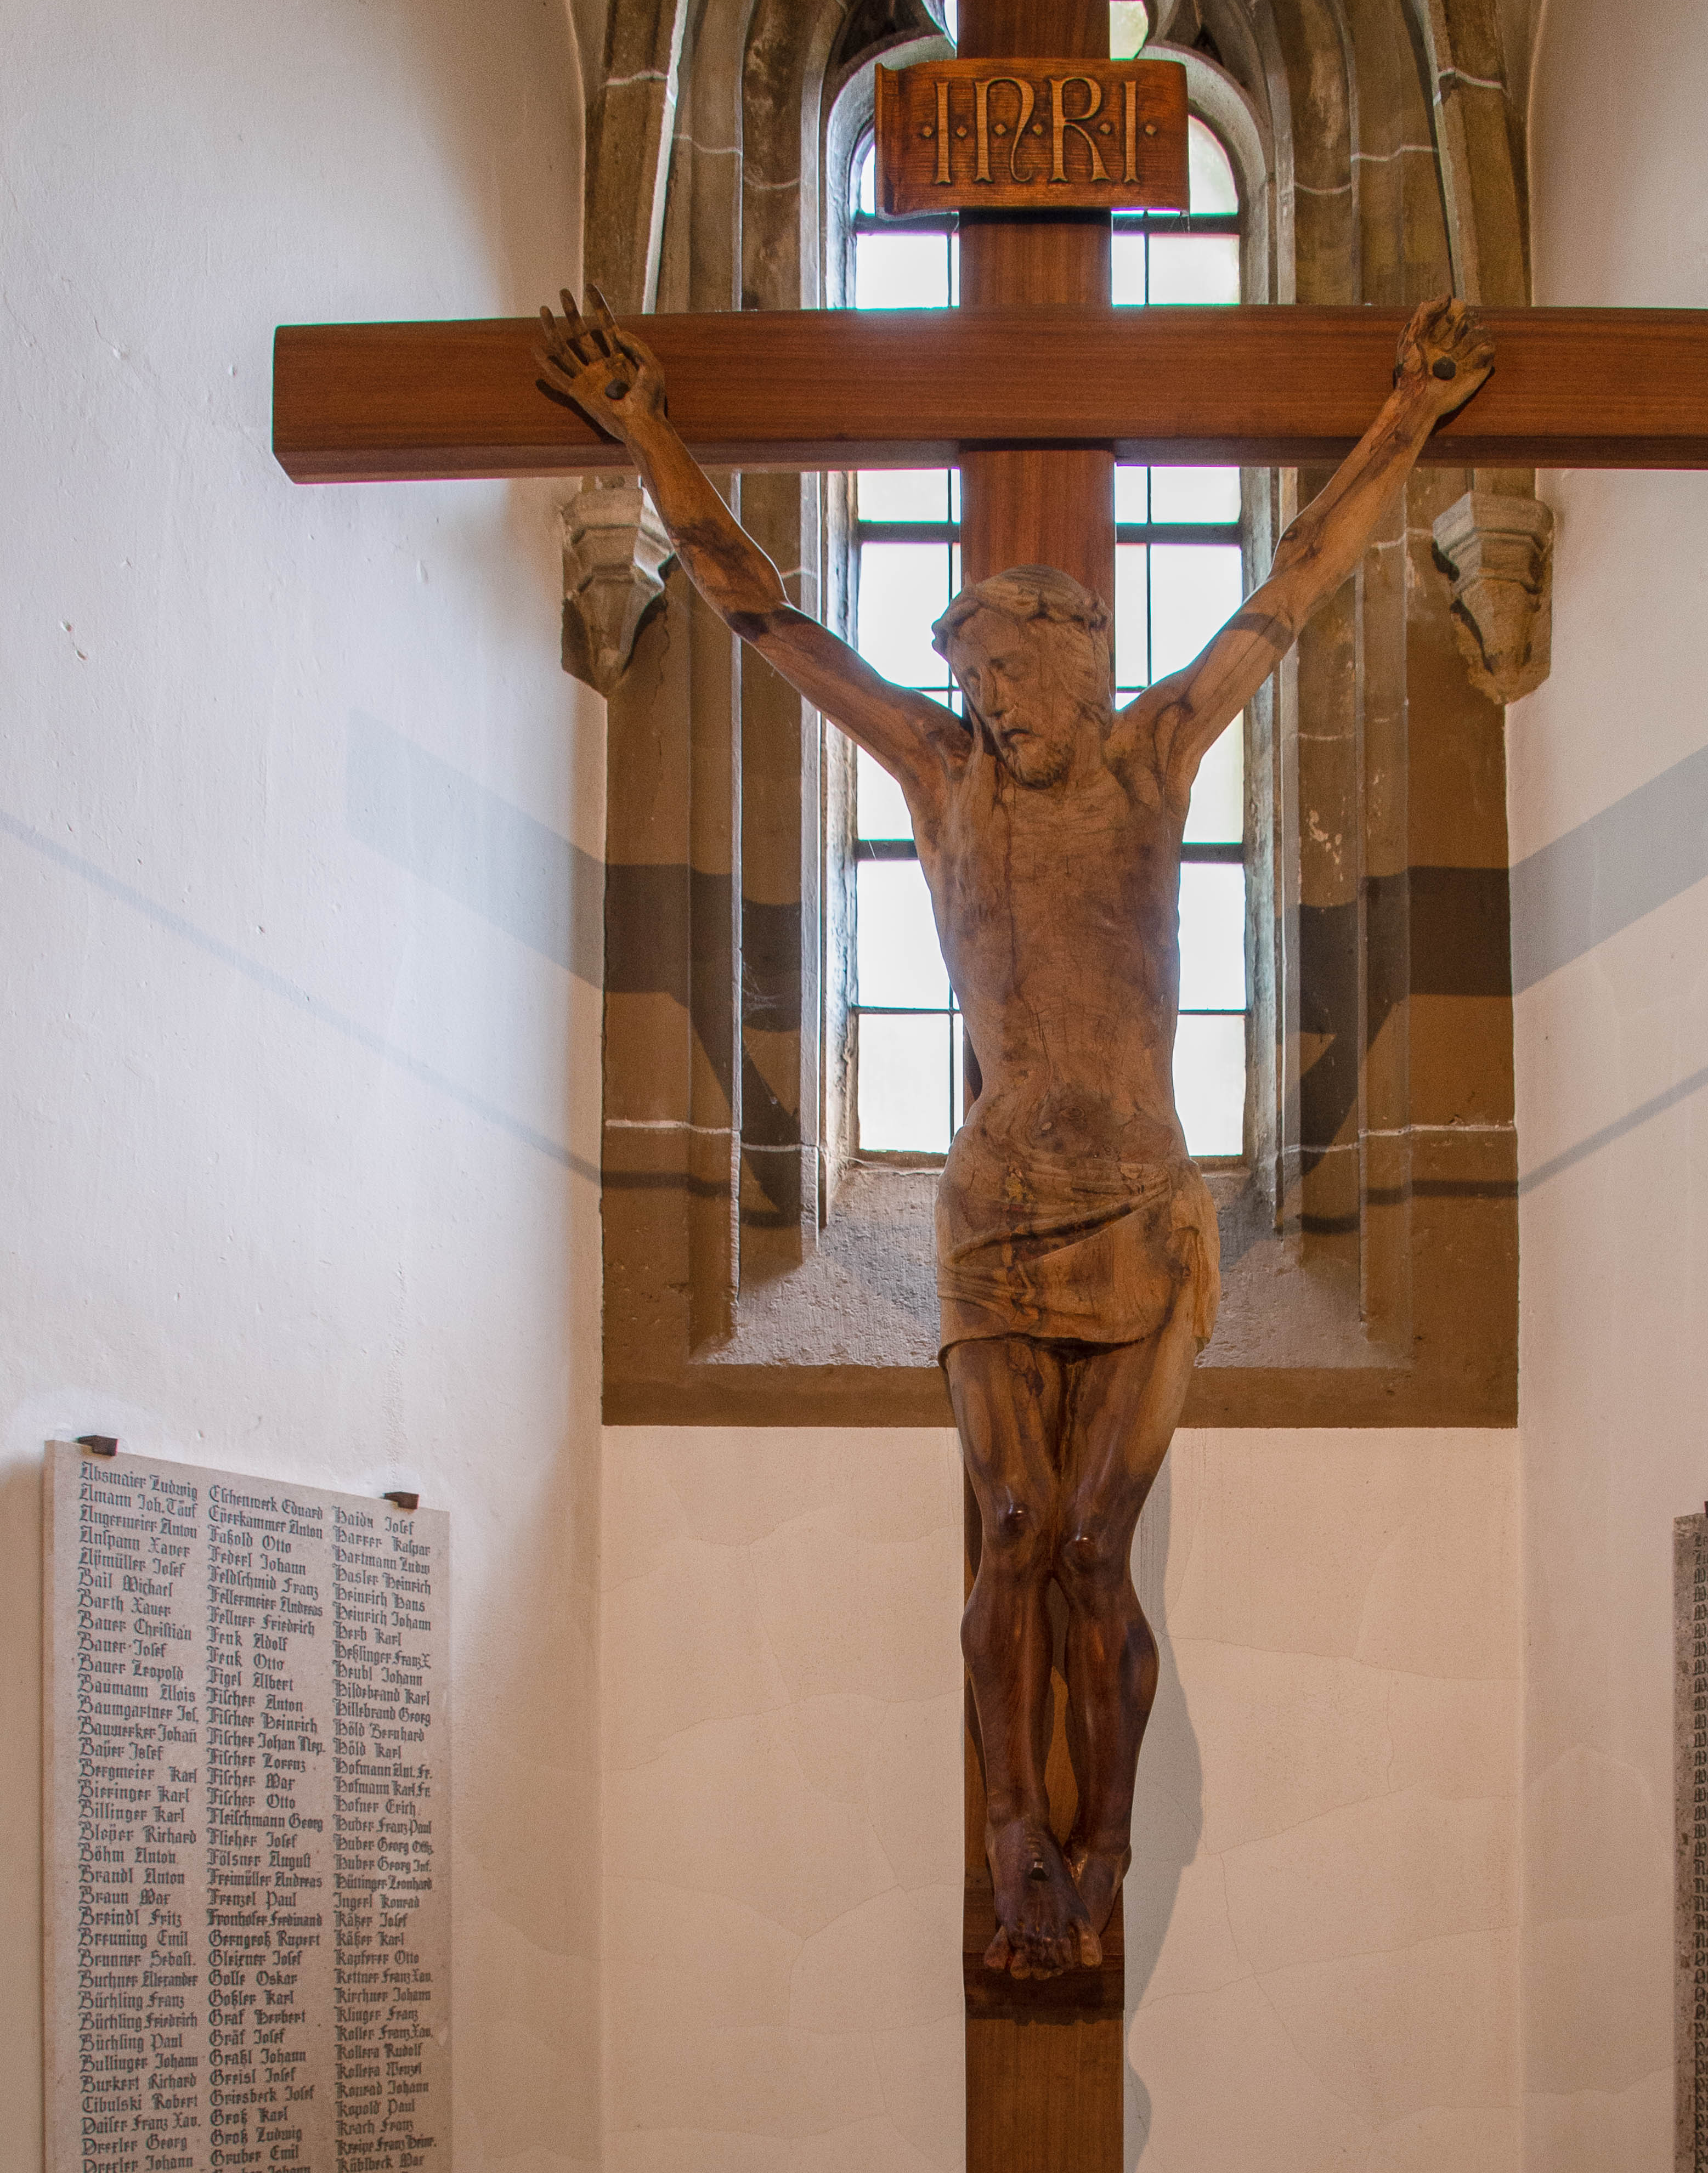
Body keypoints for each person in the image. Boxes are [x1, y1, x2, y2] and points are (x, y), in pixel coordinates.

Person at [538, 286, 1493, 1974]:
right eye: (971, 679)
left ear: (1078, 660)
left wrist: (1408, 418)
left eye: (1011, 673)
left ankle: (1103, 1835)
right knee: (1007, 1531)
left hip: (1139, 1209)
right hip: (992, 1214)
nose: (990, 703)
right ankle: (1010, 1834)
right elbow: (766, 614)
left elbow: (1292, 584)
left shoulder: (1155, 759)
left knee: (1096, 1543)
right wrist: (645, 428)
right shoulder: (937, 777)